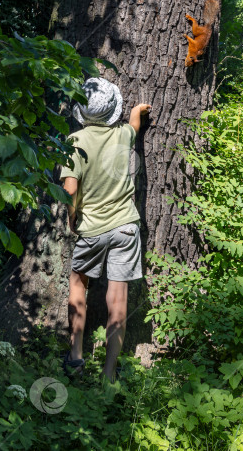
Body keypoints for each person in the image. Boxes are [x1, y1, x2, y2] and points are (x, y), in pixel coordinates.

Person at [59, 77, 151, 381]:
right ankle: (110, 374)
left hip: (93, 228)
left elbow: (70, 189)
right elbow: (135, 125)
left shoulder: (76, 141)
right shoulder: (123, 135)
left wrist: (72, 217)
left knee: (77, 282)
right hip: (125, 227)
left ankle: (75, 356)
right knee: (118, 297)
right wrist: (138, 109)